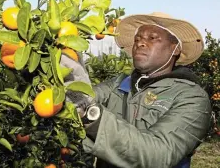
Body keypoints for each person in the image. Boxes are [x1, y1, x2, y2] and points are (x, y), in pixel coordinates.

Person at [61, 12, 212, 168]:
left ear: (175, 49)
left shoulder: (192, 97)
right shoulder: (117, 84)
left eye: (152, 38)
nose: (140, 43)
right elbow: (84, 99)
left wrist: (91, 114)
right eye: (137, 39)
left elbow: (159, 154)